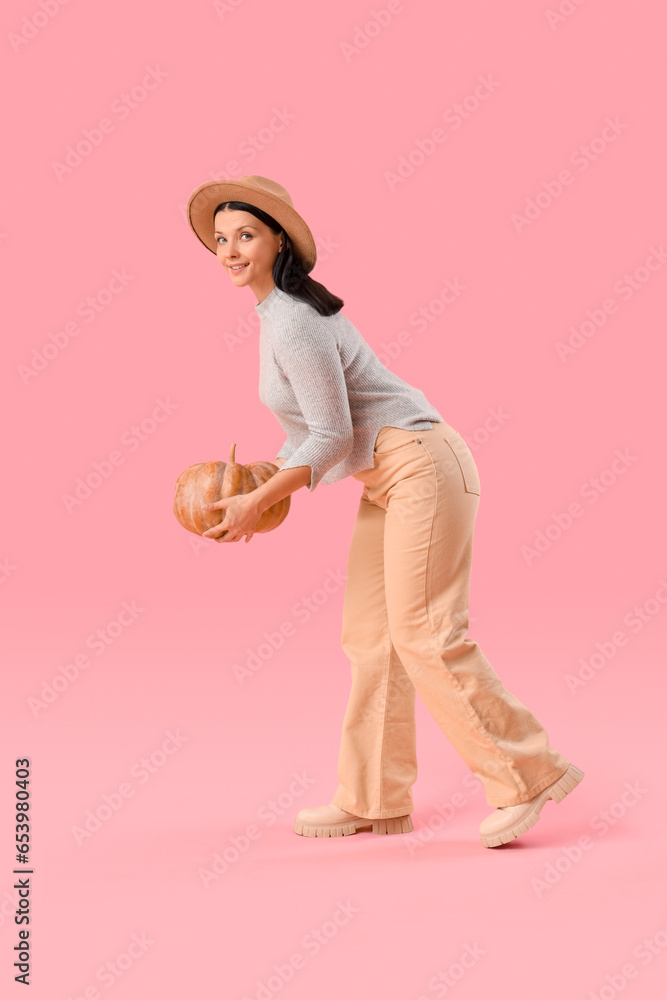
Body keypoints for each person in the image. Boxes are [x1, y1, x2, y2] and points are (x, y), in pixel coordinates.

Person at [185, 174, 584, 848]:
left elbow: (331, 436)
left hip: (419, 462)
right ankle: (373, 798)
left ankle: (527, 775)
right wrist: (253, 484)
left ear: (278, 239)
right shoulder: (276, 316)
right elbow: (311, 431)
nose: (229, 250)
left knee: (425, 631)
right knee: (372, 639)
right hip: (386, 477)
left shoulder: (293, 320)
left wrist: (261, 499)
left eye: (245, 235)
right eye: (221, 239)